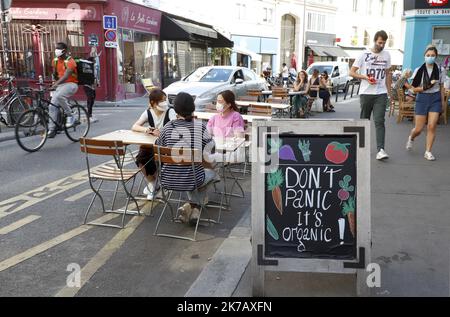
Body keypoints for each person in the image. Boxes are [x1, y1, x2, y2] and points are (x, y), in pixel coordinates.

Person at [155, 92, 218, 209]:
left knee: (194, 170)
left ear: (175, 109)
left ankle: (192, 207)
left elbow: (159, 147)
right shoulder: (200, 127)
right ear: (192, 107)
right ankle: (194, 207)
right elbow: (211, 149)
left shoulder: (167, 127)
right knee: (211, 172)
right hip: (193, 179)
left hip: (167, 179)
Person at [350, 30, 393, 161]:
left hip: (381, 93)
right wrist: (364, 77)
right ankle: (360, 148)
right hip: (366, 93)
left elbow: (388, 75)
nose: (382, 45)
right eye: (380, 42)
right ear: (375, 41)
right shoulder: (363, 54)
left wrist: (390, 95)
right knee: (364, 121)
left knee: (380, 121)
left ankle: (381, 149)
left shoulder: (387, 55)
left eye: (384, 43)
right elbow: (351, 72)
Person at [132, 89, 176, 199]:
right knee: (141, 158)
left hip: (166, 146)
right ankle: (152, 183)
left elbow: (176, 127)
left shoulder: (170, 112)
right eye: (162, 101)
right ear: (153, 103)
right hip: (151, 145)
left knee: (156, 158)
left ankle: (156, 183)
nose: (165, 103)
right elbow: (135, 126)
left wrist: (162, 133)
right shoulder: (148, 112)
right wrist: (148, 130)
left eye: (165, 100)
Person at [406, 45, 446, 161]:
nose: (430, 57)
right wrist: (412, 93)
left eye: (433, 55)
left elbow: (442, 86)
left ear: (436, 56)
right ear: (424, 56)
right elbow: (413, 87)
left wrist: (443, 102)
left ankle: (428, 151)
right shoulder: (419, 70)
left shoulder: (440, 69)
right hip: (422, 98)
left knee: (432, 126)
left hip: (435, 98)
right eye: (428, 55)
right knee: (418, 129)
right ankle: (411, 137)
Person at [49, 42, 79, 138]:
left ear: (64, 51)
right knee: (52, 106)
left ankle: (70, 116)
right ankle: (52, 129)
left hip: (71, 84)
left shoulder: (71, 61)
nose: (56, 51)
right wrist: (53, 82)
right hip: (60, 86)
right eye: (56, 48)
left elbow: (66, 76)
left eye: (58, 49)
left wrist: (55, 84)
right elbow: (55, 74)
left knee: (59, 96)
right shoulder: (55, 61)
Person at [207, 90, 245, 163]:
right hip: (216, 149)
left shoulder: (236, 116)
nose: (218, 104)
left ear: (229, 104)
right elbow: (207, 135)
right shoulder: (214, 117)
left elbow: (239, 138)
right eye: (217, 101)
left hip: (229, 151)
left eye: (220, 101)